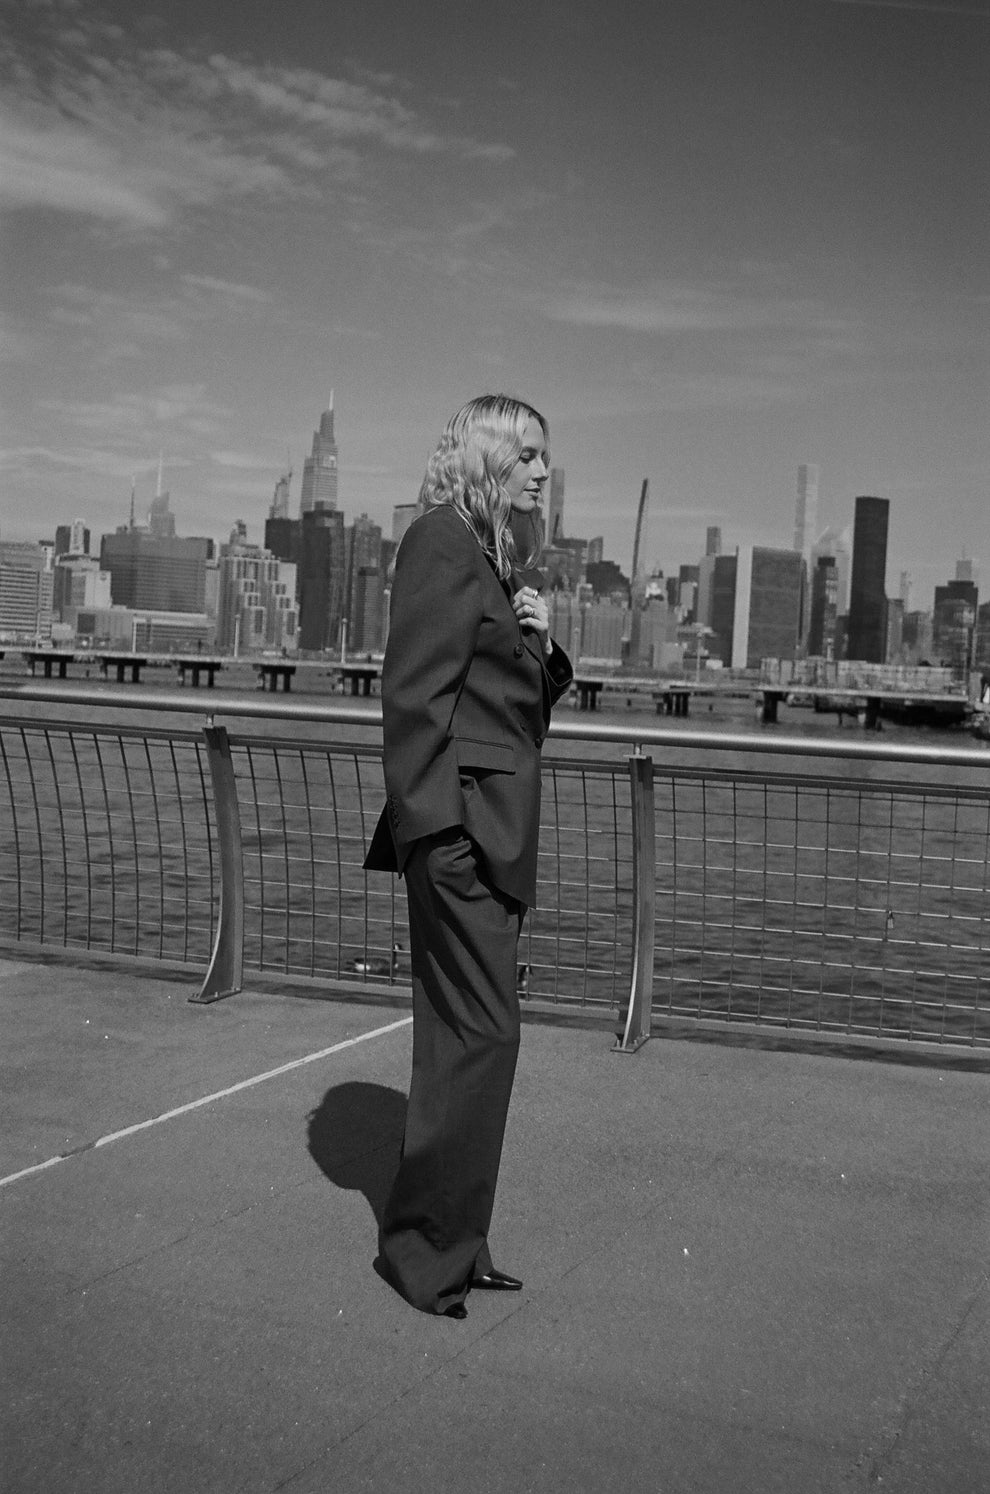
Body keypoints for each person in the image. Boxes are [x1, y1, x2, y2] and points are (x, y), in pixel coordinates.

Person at [364, 394, 573, 1318]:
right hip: (461, 836)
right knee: (483, 1036)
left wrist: (542, 643)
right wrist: (437, 832)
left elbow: (507, 708)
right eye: (526, 454)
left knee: (467, 1044)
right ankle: (425, 1254)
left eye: (544, 457)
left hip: (486, 832)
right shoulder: (442, 544)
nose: (540, 471)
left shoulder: (488, 557)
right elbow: (414, 700)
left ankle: (457, 1240)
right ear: (486, 455)